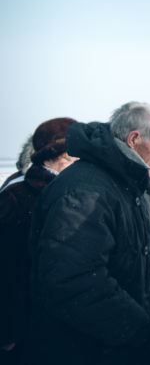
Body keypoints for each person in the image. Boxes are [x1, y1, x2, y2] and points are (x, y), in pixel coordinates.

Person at [27, 102, 150, 364]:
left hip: (120, 345)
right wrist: (149, 336)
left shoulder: (124, 184)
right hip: (89, 350)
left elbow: (144, 261)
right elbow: (75, 283)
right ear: (134, 139)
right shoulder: (86, 192)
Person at [0, 117, 77, 364]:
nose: (78, 165)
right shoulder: (17, 196)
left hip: (58, 319)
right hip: (25, 323)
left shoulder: (71, 192)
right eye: (71, 158)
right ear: (53, 157)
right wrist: (8, 328)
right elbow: (7, 268)